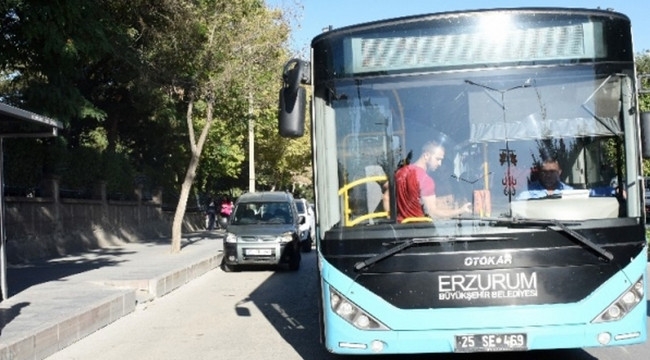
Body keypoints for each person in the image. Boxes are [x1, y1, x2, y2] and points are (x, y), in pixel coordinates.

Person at [385, 141, 472, 223]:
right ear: (426, 155)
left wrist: (392, 221)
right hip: (421, 231)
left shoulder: (400, 172)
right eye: (437, 159)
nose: (440, 163)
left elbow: (386, 197)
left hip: (401, 230)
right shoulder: (426, 181)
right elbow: (433, 213)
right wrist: (460, 210)